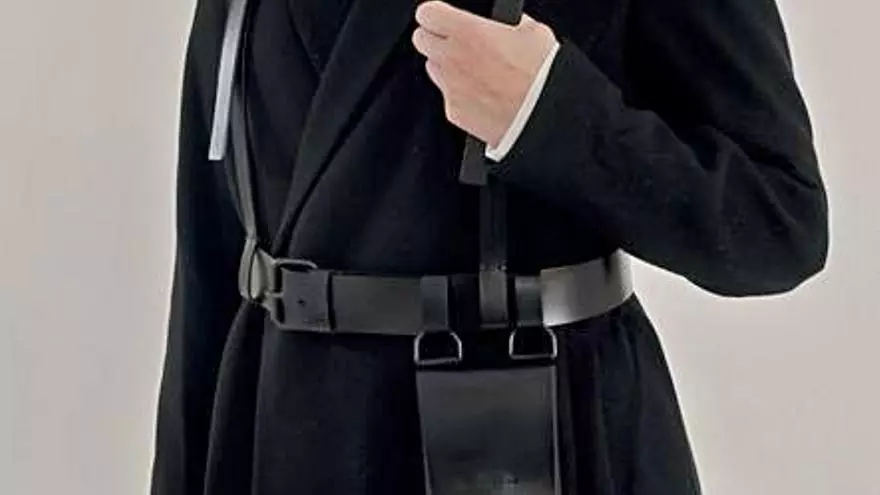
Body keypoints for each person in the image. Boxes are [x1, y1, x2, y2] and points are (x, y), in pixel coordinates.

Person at [149, 0, 829, 493]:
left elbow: (778, 220)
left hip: (538, 434)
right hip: (278, 436)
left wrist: (551, 112)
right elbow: (216, 249)